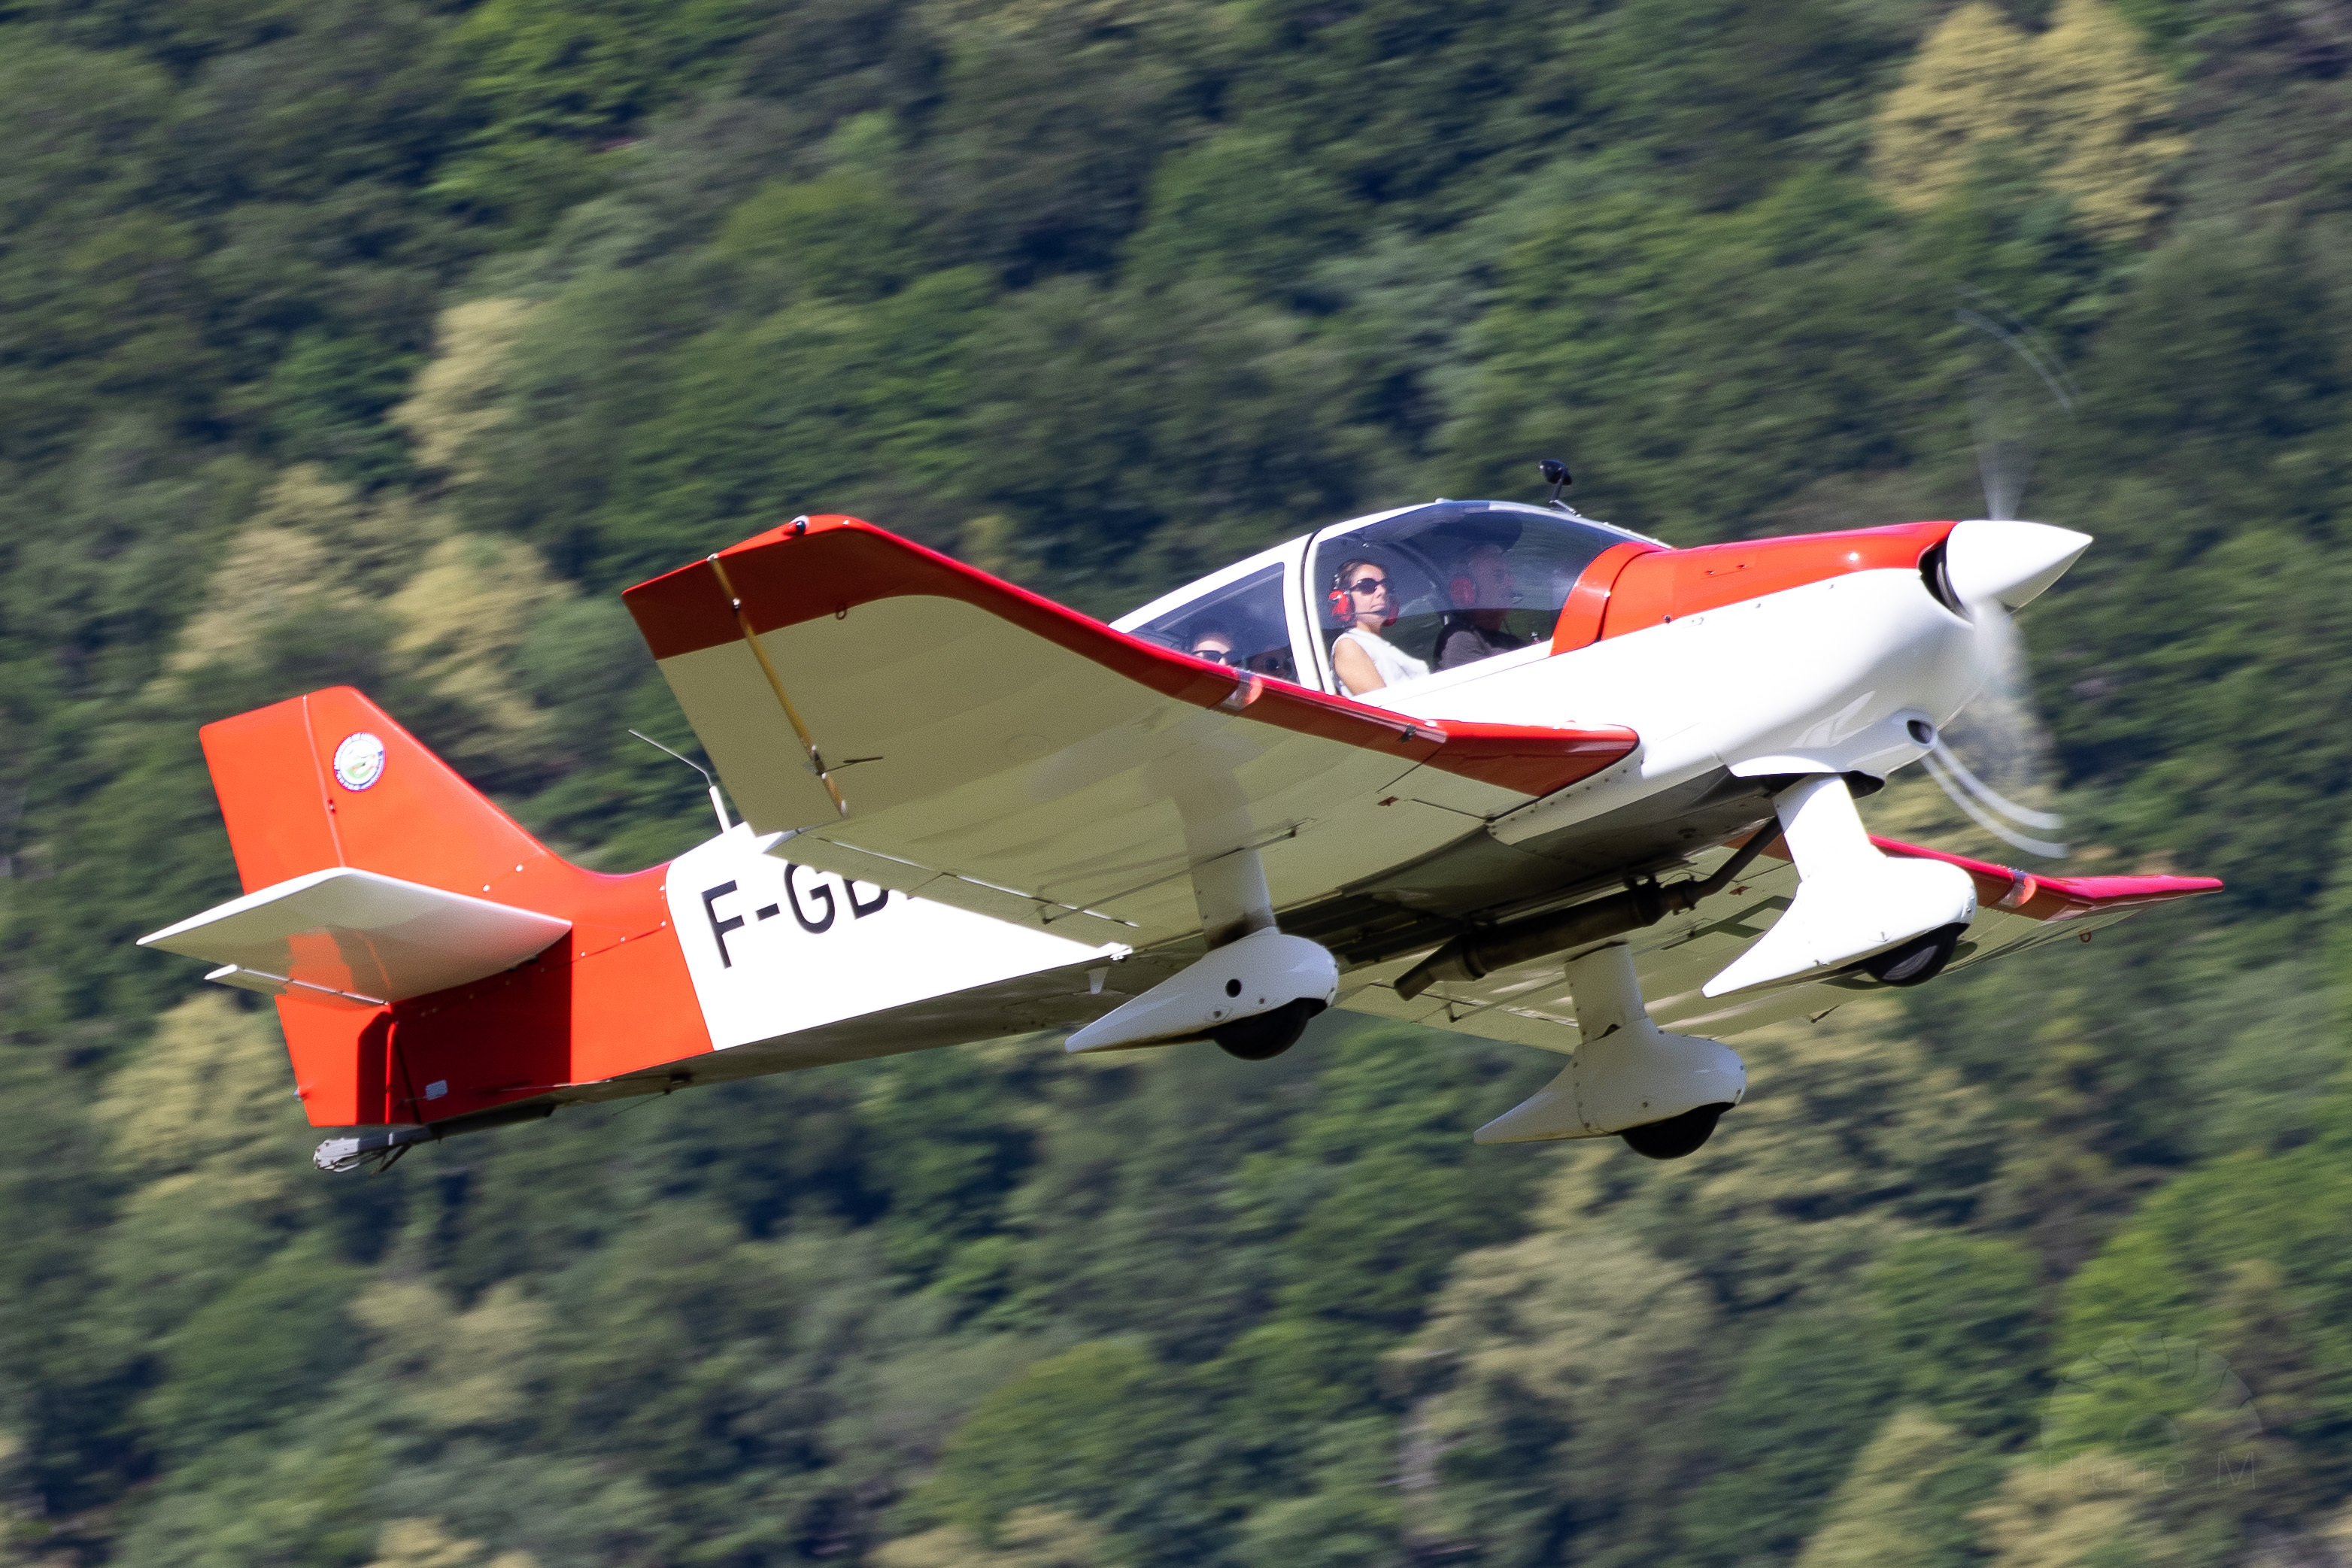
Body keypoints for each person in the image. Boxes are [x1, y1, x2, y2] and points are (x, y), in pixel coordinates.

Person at [1328, 558, 1429, 696]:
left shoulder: (1375, 643)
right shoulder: (1348, 646)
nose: (1382, 591)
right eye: (1367, 586)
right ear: (1343, 600)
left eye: (1386, 585)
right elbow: (1385, 708)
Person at [1432, 541, 1529, 671]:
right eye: (1498, 576)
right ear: (1467, 590)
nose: (1510, 582)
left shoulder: (1507, 640)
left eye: (1509, 574)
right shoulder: (1460, 640)